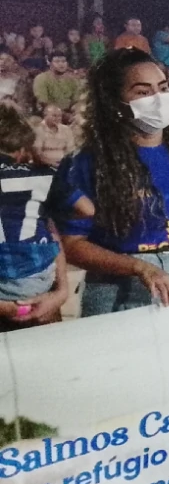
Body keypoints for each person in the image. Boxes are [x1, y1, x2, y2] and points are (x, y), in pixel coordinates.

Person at [52, 48, 169, 314]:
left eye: (163, 88)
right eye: (143, 92)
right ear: (114, 102)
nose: (158, 99)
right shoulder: (86, 164)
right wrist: (139, 267)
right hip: (117, 290)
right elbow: (72, 245)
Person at [0, 107, 70, 331]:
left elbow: (50, 231)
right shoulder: (37, 179)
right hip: (34, 295)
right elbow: (85, 210)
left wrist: (61, 291)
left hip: (40, 300)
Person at [32, 52, 83, 116]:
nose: (61, 64)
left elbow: (76, 101)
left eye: (63, 61)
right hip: (48, 114)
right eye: (57, 61)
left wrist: (77, 113)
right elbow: (43, 103)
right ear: (50, 63)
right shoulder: (41, 78)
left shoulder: (72, 79)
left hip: (69, 113)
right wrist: (64, 115)